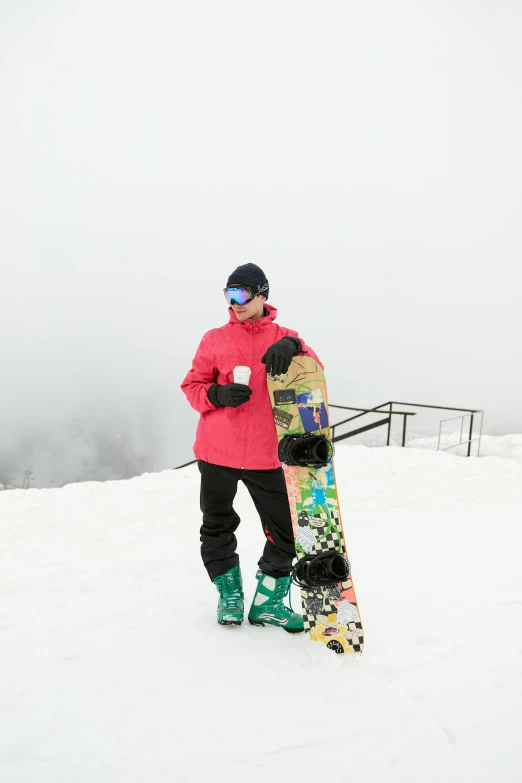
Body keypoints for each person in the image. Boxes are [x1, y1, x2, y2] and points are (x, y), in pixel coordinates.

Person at [181, 263, 323, 632]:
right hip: (217, 452)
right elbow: (192, 387)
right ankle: (229, 596)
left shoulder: (286, 335)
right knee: (217, 526)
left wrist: (293, 346)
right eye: (229, 295)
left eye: (241, 294)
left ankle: (267, 603)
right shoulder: (214, 338)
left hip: (266, 454)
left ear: (262, 294)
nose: (234, 302)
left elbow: (314, 372)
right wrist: (217, 393)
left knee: (288, 531)